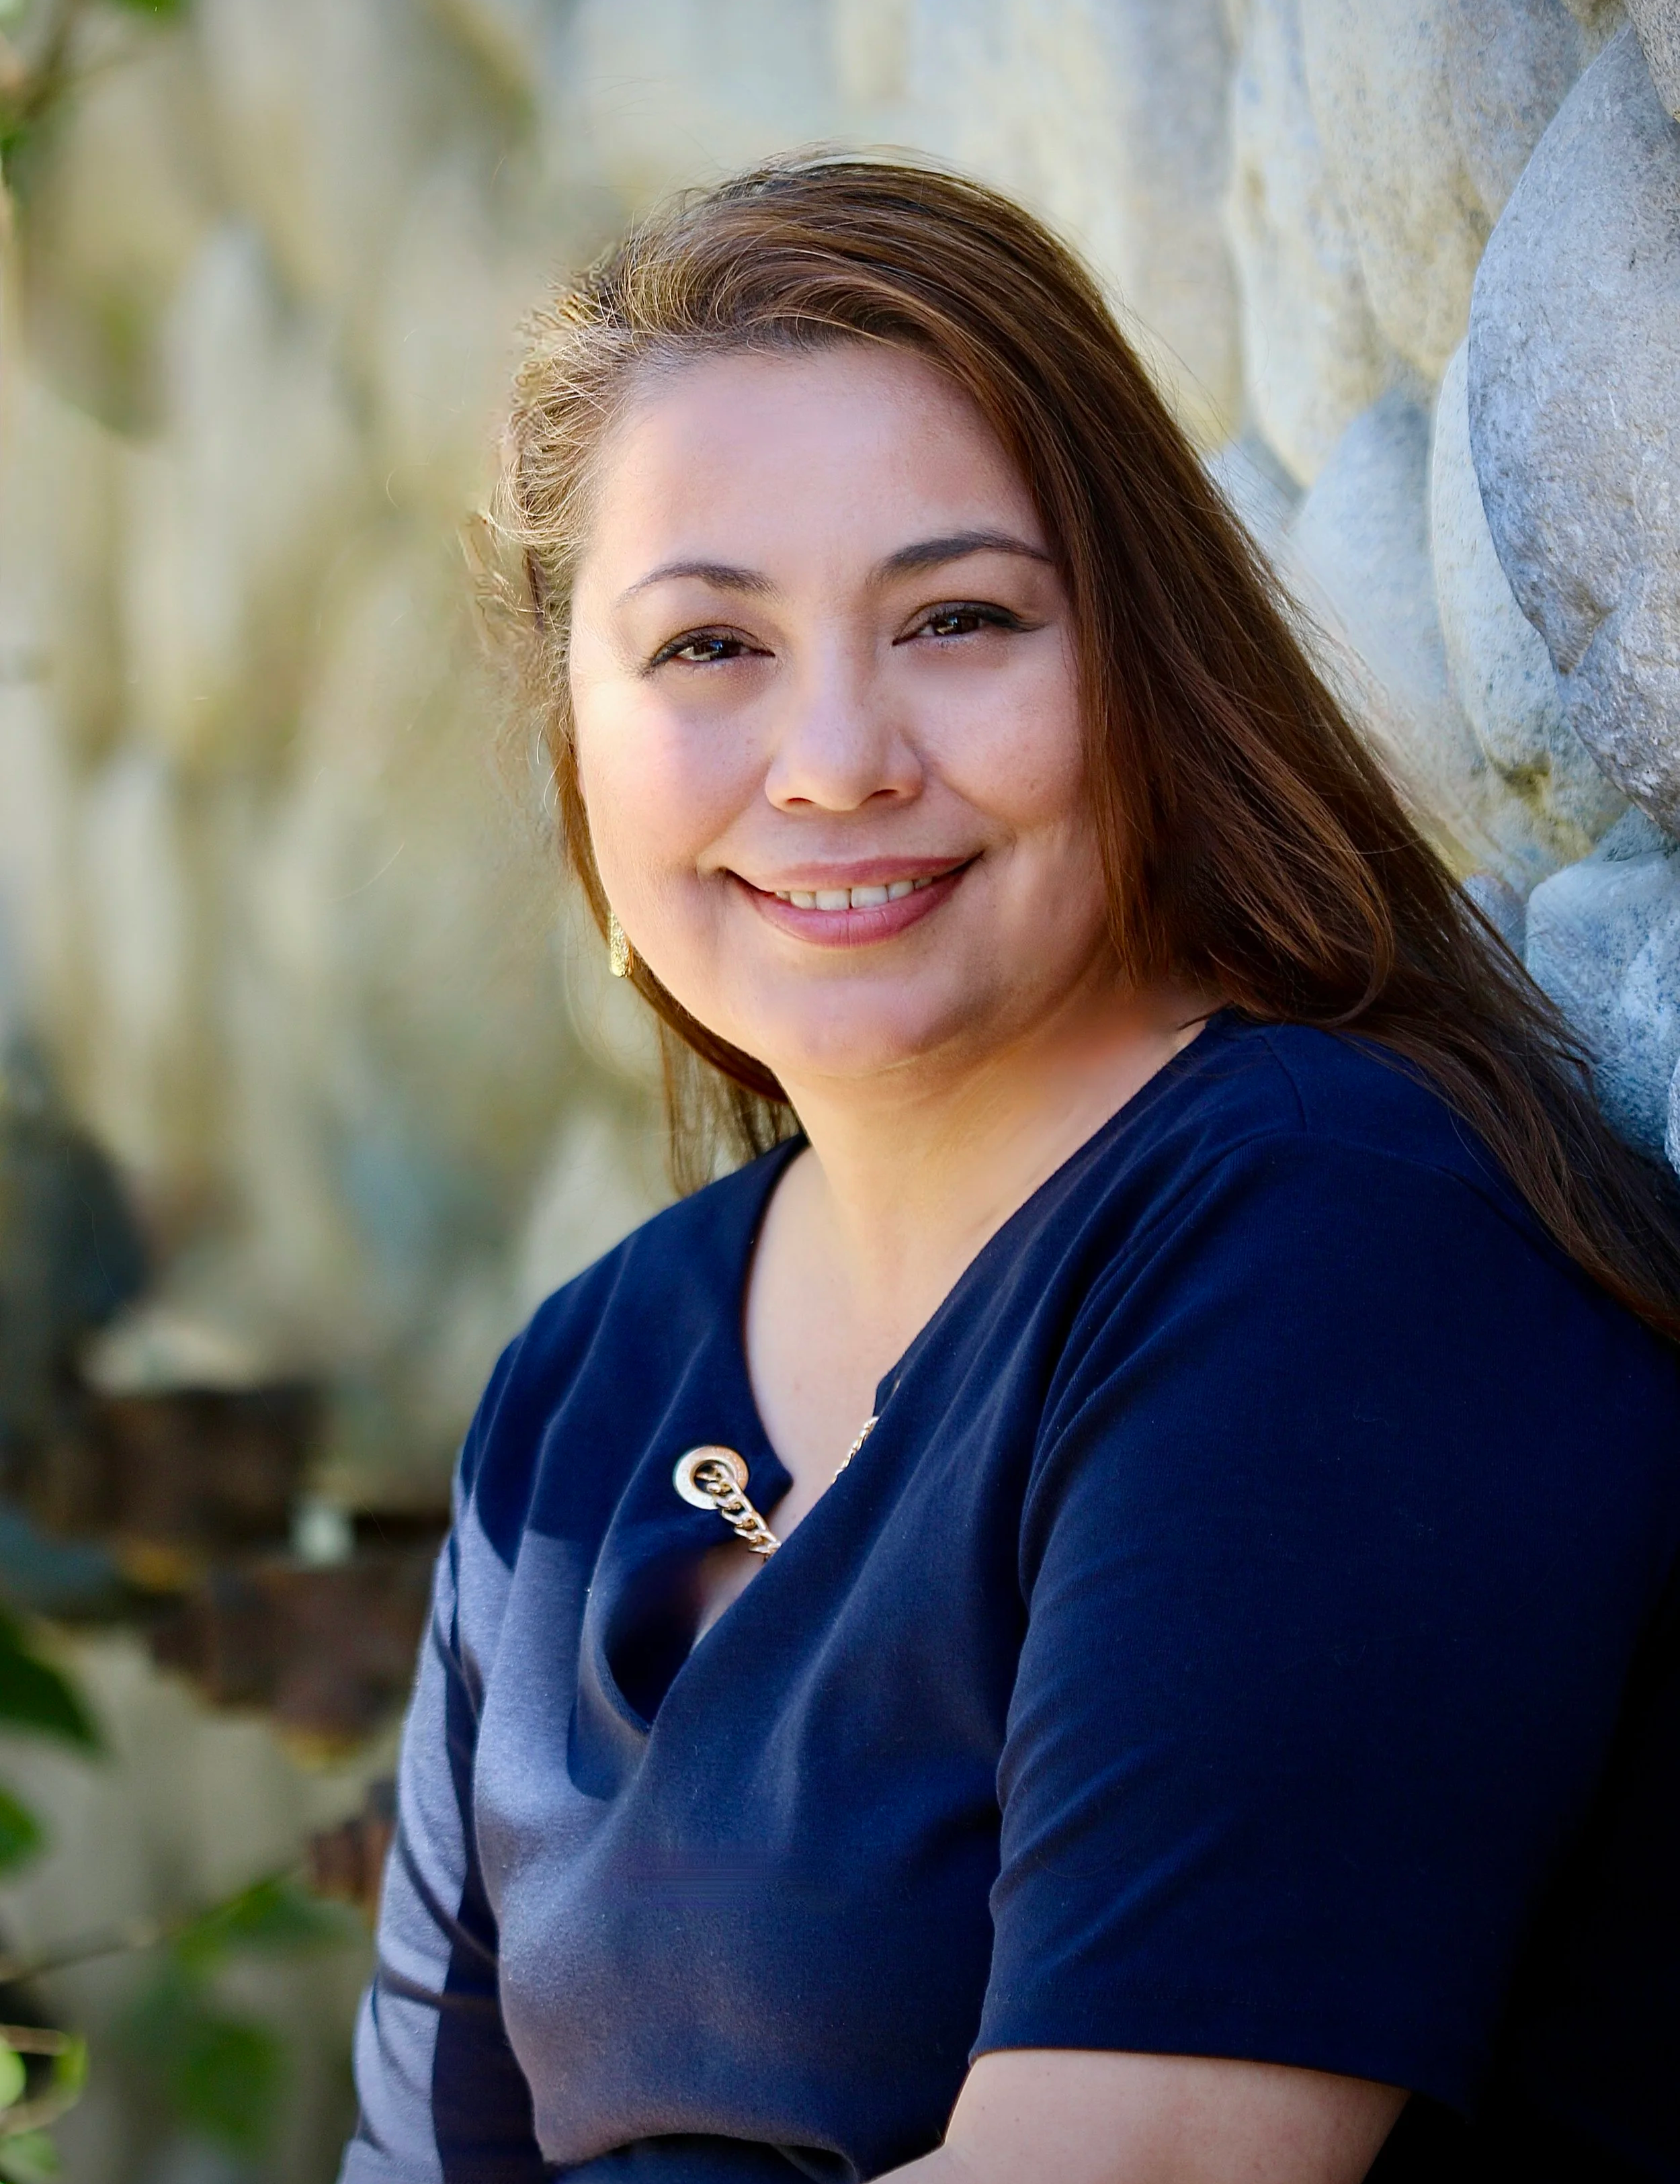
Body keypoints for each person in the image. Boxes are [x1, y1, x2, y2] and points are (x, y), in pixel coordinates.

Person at [339, 157, 1680, 2184]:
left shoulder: (1328, 1245)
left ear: (1138, 672)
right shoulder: (577, 1391)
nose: (837, 759)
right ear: (578, 741)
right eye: (708, 649)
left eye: (955, 618)